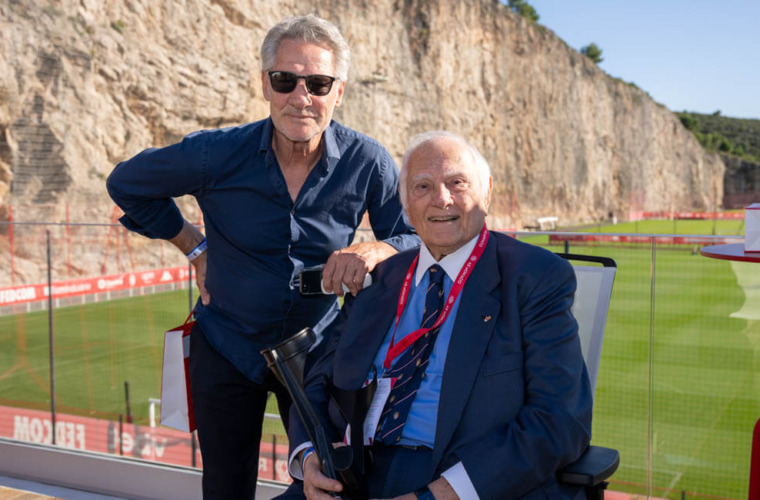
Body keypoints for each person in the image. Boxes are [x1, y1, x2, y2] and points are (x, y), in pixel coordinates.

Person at [106, 14, 418, 500]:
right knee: (226, 488)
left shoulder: (368, 160)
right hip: (226, 346)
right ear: (265, 86)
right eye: (285, 80)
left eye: (318, 83)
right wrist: (194, 244)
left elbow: (415, 239)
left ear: (339, 92)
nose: (301, 96)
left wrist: (376, 248)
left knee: (332, 483)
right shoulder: (216, 152)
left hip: (317, 355)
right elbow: (126, 183)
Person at [283, 131, 593, 499]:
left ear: (487, 191)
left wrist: (441, 495)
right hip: (353, 473)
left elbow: (559, 419)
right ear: (406, 206)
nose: (441, 199)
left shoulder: (535, 277)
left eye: (456, 183)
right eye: (423, 186)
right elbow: (319, 383)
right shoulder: (377, 278)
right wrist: (309, 458)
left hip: (463, 476)